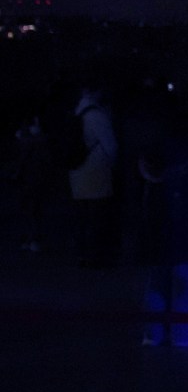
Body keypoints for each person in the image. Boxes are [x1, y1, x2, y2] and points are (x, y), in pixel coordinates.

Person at [138, 116, 188, 348]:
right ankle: (183, 334)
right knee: (185, 281)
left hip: (156, 226)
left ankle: (154, 334)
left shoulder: (151, 155)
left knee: (156, 282)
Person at [68, 87, 118, 271]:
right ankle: (95, 256)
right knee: (97, 216)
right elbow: (110, 145)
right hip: (96, 168)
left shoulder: (76, 112)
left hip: (76, 168)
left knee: (82, 216)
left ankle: (82, 254)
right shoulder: (98, 115)